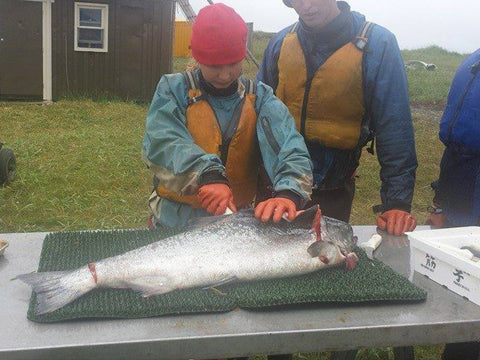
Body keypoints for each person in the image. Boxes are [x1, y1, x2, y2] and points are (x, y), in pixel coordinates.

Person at [142, 3, 312, 230]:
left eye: (233, 63)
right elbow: (162, 143)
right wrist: (207, 174)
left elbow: (290, 147)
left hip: (233, 226)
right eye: (214, 66)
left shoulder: (260, 97)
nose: (225, 75)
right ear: (197, 56)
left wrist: (289, 192)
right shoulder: (173, 89)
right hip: (173, 224)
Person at [256, 0, 418, 236]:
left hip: (332, 190)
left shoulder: (378, 44)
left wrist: (397, 203)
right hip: (275, 187)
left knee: (324, 261)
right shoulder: (281, 42)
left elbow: (394, 125)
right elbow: (257, 114)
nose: (306, 6)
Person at [426, 48, 480, 360]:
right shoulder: (472, 62)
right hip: (461, 193)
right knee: (464, 296)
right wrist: (441, 204)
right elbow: (456, 144)